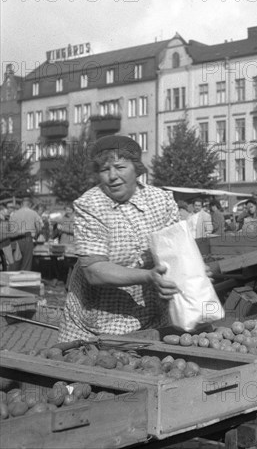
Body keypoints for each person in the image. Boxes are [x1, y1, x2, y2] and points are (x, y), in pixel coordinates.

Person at [58, 135, 181, 342]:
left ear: (136, 169)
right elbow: (94, 271)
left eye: (120, 167)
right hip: (94, 322)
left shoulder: (161, 200)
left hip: (152, 316)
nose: (112, 176)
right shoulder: (90, 205)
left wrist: (193, 270)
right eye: (105, 170)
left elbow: (177, 251)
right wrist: (148, 276)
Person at [8, 197, 43, 271]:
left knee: (15, 264)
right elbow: (40, 227)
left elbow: (10, 230)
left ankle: (14, 280)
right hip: (27, 239)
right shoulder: (34, 213)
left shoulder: (14, 214)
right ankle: (24, 280)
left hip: (15, 240)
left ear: (21, 204)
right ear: (30, 204)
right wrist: (36, 236)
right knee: (26, 264)